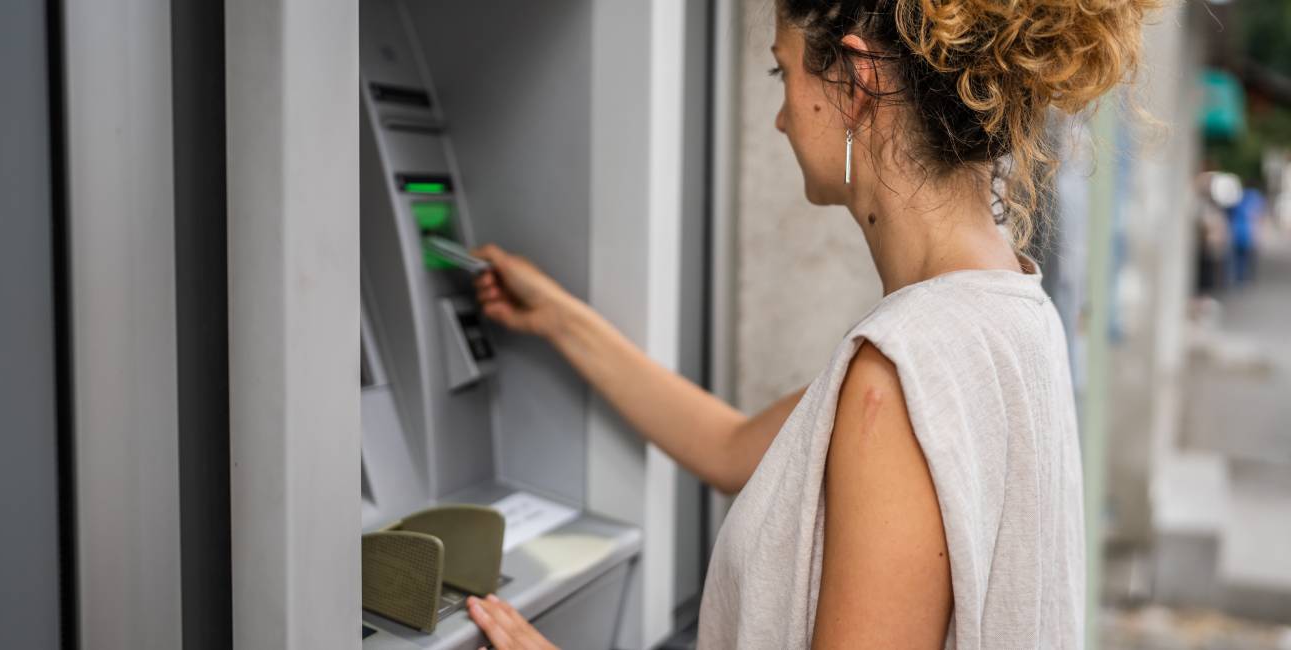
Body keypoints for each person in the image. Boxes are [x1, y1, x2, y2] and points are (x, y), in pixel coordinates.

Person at [464, 0, 1155, 646]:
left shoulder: (902, 369)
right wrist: (557, 318)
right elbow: (732, 447)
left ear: (855, 83)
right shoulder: (1009, 312)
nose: (781, 117)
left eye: (782, 70)